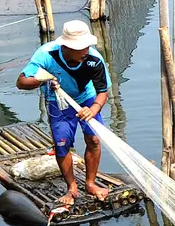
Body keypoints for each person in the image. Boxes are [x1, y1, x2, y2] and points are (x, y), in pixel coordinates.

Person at [16, 20, 112, 206]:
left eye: (87, 45)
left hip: (87, 98)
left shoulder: (94, 59)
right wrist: (44, 79)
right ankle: (71, 187)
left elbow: (103, 91)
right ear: (66, 46)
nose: (86, 50)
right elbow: (21, 82)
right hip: (57, 100)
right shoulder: (46, 55)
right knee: (62, 144)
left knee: (93, 140)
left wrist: (93, 109)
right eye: (80, 47)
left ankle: (90, 183)